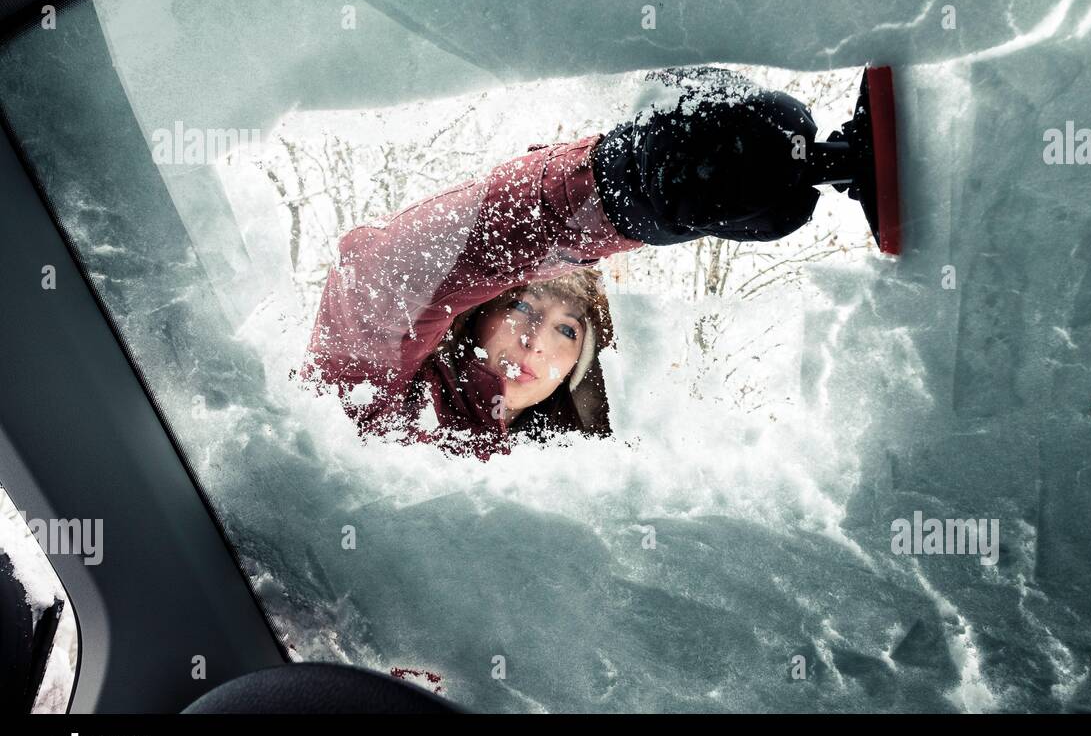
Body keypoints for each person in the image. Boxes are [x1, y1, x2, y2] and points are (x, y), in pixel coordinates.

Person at [301, 66, 821, 460]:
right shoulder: (381, 407)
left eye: (568, 331)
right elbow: (380, 278)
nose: (535, 342)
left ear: (580, 367)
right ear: (476, 313)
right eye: (525, 308)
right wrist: (610, 190)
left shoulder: (578, 480)